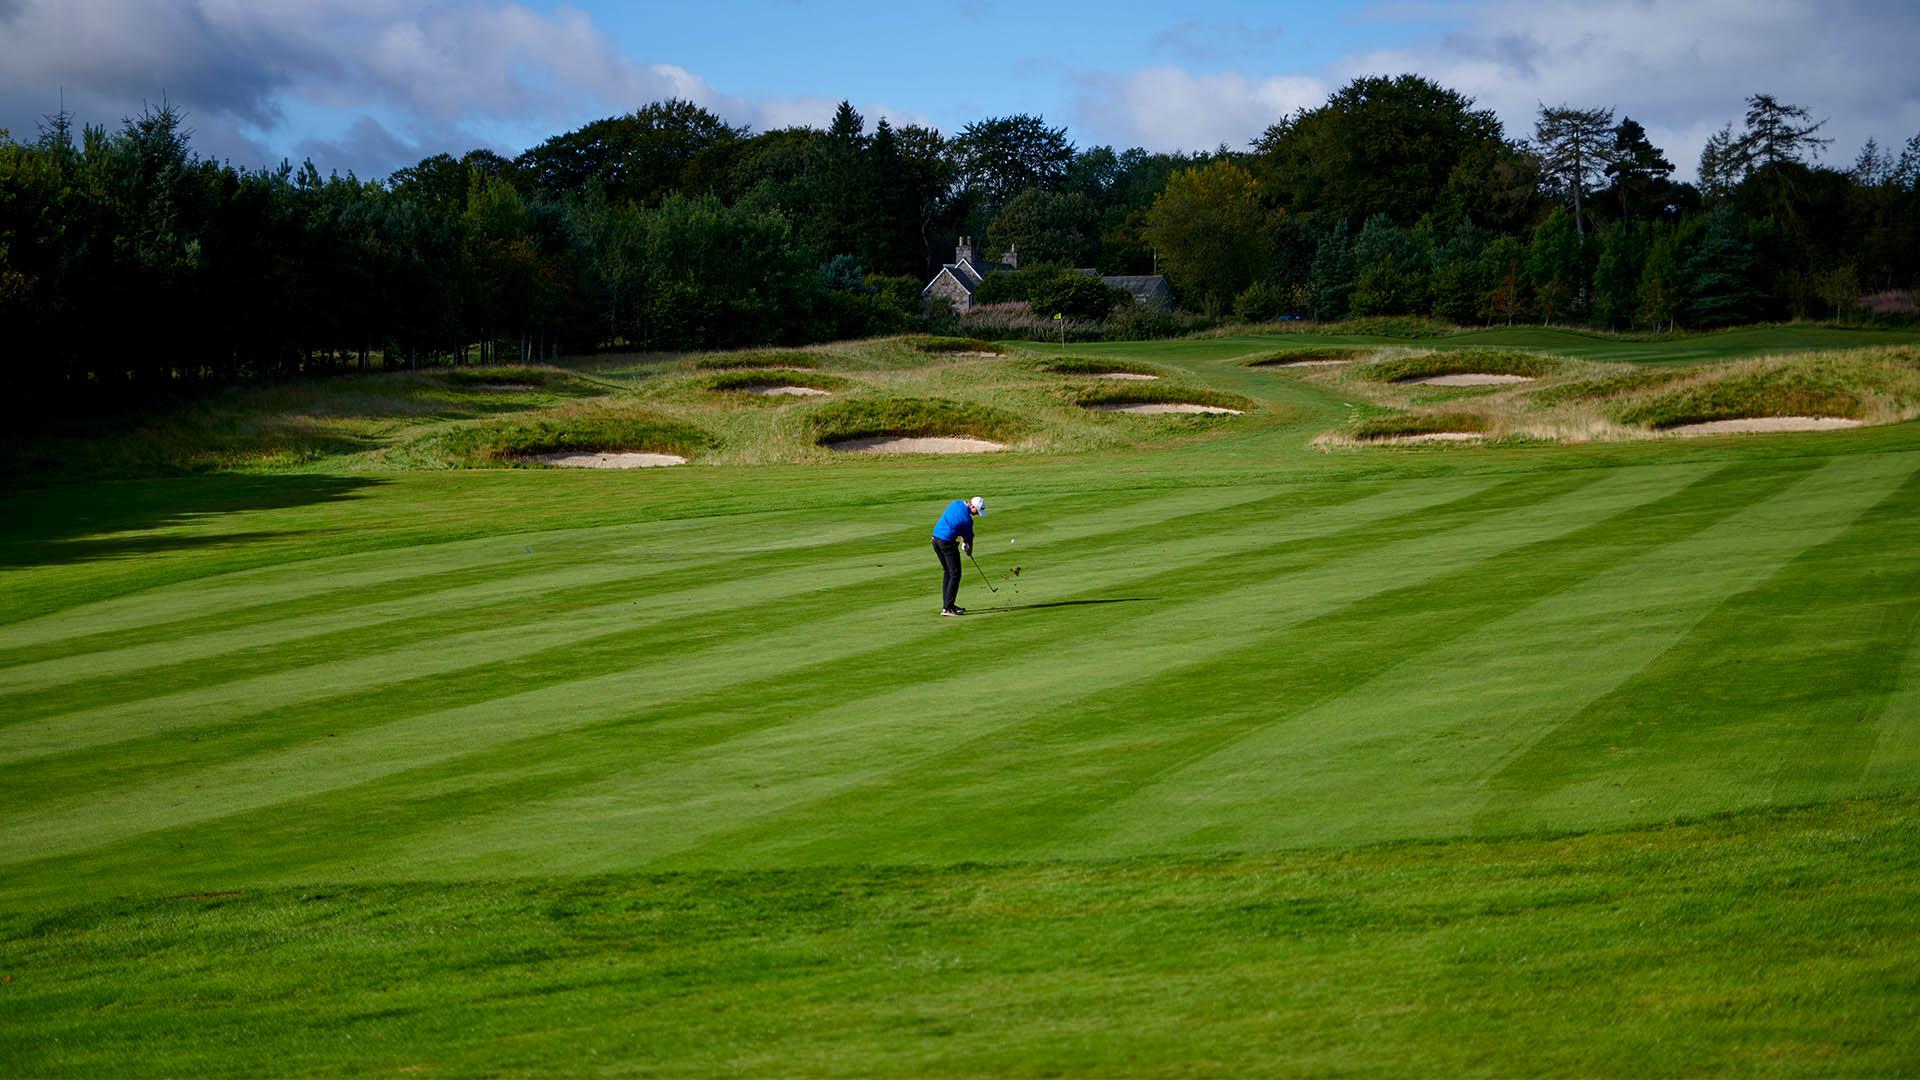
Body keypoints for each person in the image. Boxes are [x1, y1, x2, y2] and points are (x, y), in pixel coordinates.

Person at [930, 496, 986, 616]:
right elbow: (968, 539)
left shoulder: (957, 503)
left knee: (948, 572)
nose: (977, 514)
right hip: (946, 543)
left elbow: (954, 523)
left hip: (935, 539)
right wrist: (969, 551)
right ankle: (948, 608)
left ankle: (948, 605)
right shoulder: (967, 520)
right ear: (972, 506)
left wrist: (962, 540)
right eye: (977, 511)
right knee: (955, 574)